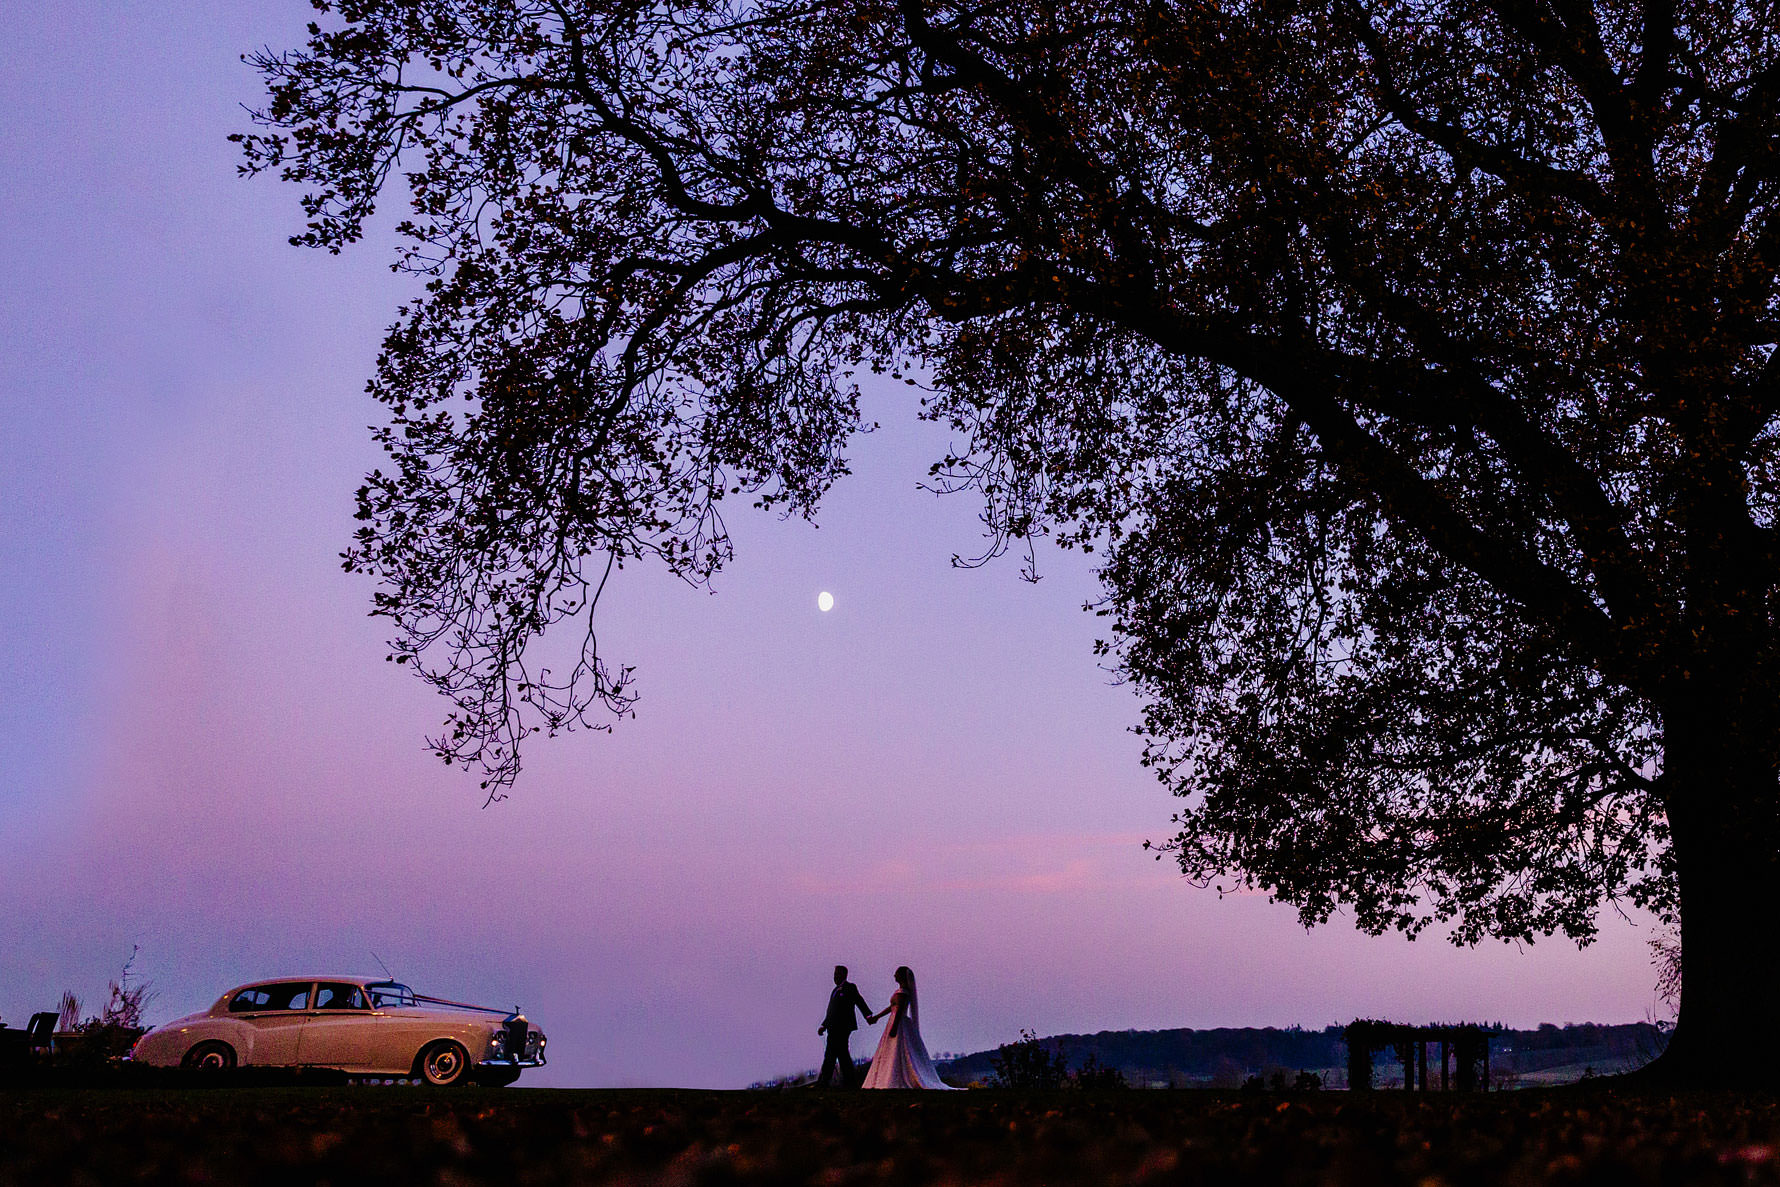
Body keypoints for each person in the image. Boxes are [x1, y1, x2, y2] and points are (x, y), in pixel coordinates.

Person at [861, 966, 958, 1089]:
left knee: (899, 1049)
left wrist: (894, 1027)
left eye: (896, 973)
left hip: (898, 1022)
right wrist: (878, 1017)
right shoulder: (900, 992)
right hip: (895, 1021)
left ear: (901, 976)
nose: (894, 975)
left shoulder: (903, 993)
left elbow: (899, 1010)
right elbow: (892, 1007)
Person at [816, 965, 874, 1087]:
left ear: (844, 975)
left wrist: (868, 1015)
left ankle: (828, 1082)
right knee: (838, 1054)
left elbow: (859, 1001)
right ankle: (844, 1082)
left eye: (837, 974)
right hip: (833, 1027)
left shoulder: (850, 988)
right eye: (834, 974)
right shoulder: (835, 991)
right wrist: (824, 1025)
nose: (835, 977)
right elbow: (830, 1011)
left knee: (834, 1054)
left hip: (843, 1027)